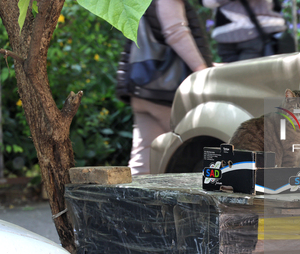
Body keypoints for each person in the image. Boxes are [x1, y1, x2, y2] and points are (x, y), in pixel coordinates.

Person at [117, 0, 213, 175]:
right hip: (165, 92)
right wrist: (203, 71)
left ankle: (127, 201)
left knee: (143, 157)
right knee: (189, 152)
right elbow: (175, 32)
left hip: (142, 88)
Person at [203, 0, 287, 62]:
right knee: (234, 81)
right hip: (226, 38)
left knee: (249, 79)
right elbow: (207, 2)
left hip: (256, 34)